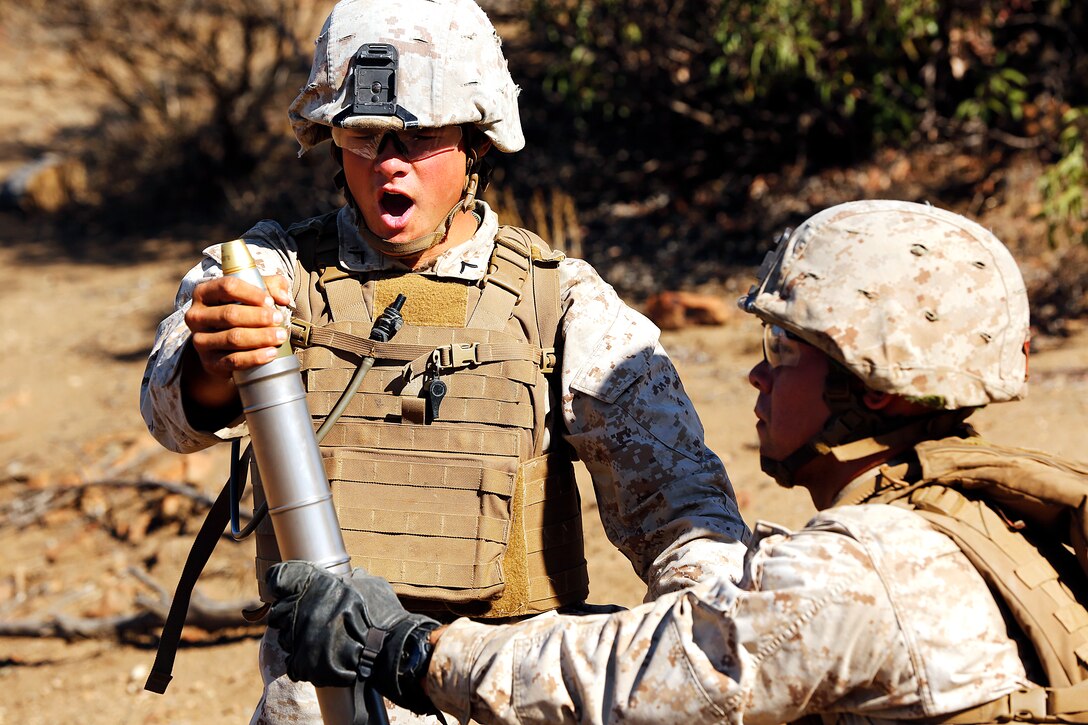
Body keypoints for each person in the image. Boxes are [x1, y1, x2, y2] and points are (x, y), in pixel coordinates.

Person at [139, 0, 748, 721]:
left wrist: (705, 657)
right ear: (333, 142)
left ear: (476, 141)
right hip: (327, 700)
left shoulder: (561, 301)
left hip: (501, 693)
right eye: (364, 135)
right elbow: (169, 416)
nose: (389, 162)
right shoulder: (273, 271)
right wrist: (214, 363)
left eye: (420, 135)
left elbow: (688, 518)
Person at [265, 199, 1088, 724]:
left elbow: (637, 680)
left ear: (870, 387)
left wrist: (407, 648)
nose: (757, 373)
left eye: (784, 349)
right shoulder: (985, 516)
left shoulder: (863, 568)